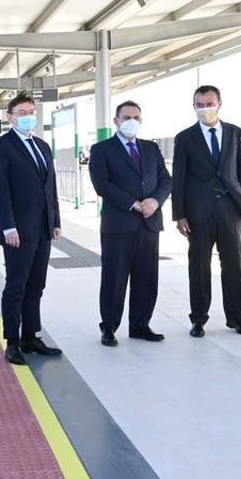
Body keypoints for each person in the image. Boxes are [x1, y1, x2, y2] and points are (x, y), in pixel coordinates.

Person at [0, 93, 63, 365]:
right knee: (16, 286)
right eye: (21, 112)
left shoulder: (42, 146)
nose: (27, 116)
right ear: (10, 116)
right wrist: (7, 225)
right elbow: (0, 190)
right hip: (17, 230)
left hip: (42, 229)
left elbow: (50, 186)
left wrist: (56, 222)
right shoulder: (1, 147)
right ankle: (13, 341)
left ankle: (31, 335)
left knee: (36, 285)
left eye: (31, 111)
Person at [172, 85, 241, 338]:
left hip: (230, 210)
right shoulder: (185, 138)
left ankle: (236, 317)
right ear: (194, 106)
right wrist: (180, 215)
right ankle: (198, 319)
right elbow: (179, 178)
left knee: (233, 265)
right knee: (199, 267)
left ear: (220, 103)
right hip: (198, 213)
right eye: (200, 104)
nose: (205, 108)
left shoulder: (233, 133)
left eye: (209, 103)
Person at [87, 101, 172, 347]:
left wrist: (155, 201)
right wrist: (133, 204)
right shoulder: (102, 149)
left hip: (149, 223)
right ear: (116, 121)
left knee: (147, 277)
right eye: (126, 117)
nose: (131, 121)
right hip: (119, 224)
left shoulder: (151, 148)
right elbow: (102, 184)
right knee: (115, 277)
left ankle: (140, 325)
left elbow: (166, 180)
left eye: (136, 117)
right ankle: (109, 327)